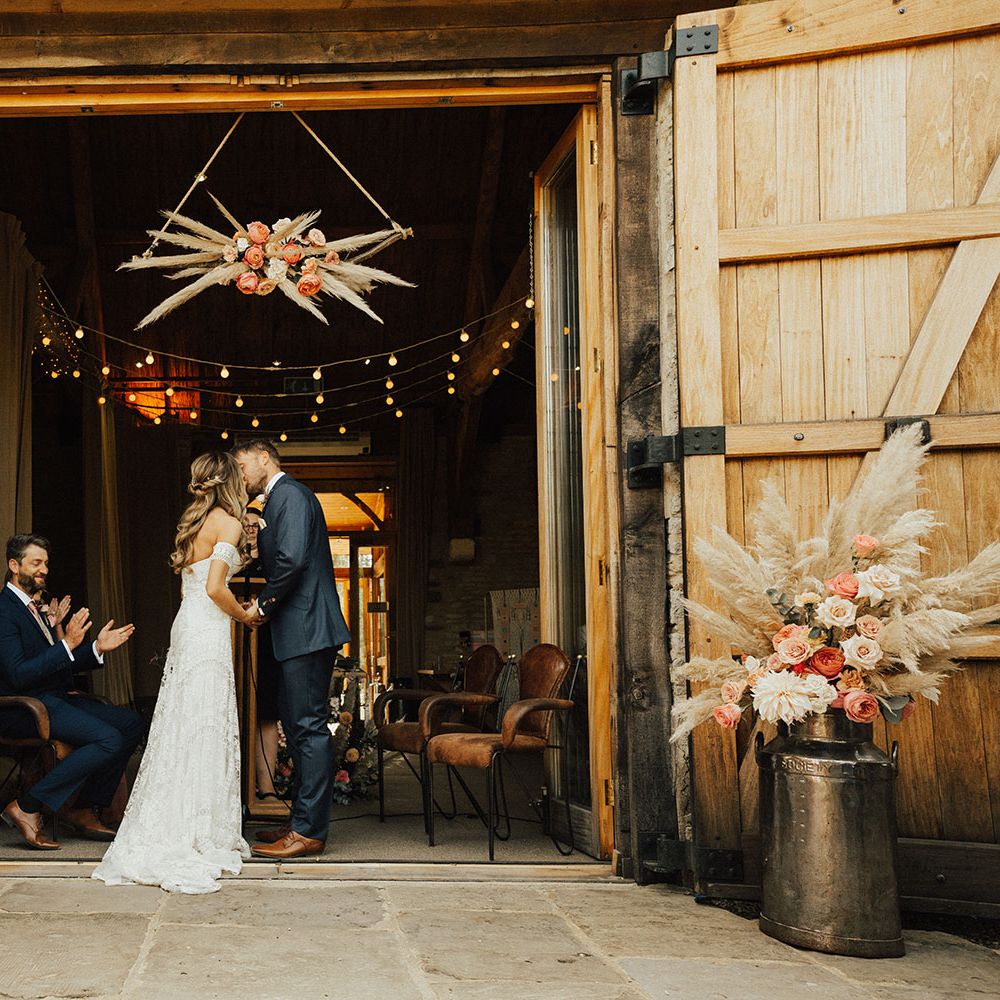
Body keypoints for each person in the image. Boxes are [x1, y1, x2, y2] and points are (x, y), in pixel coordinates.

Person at [92, 452, 258, 893]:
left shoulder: (197, 521)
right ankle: (196, 828)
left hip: (188, 625)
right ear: (230, 483)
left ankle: (179, 815)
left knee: (185, 722)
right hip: (207, 631)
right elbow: (215, 587)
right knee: (203, 723)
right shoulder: (229, 523)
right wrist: (246, 616)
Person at [232, 439, 350, 859]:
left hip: (307, 628)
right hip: (296, 630)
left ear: (264, 458)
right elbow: (282, 558)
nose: (241, 473)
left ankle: (309, 831)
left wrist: (262, 604)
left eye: (243, 464)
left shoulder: (292, 495)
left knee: (308, 728)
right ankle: (300, 819)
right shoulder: (275, 501)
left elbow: (294, 559)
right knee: (298, 727)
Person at [0, 534, 140, 850]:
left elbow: (59, 664)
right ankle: (26, 806)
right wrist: (67, 644)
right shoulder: (4, 611)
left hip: (55, 700)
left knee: (130, 723)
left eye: (45, 563)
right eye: (36, 563)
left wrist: (94, 648)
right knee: (108, 739)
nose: (44, 570)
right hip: (23, 709)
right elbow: (18, 674)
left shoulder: (36, 607)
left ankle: (83, 808)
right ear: (14, 565)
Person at [242, 495, 281, 800]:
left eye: (256, 524)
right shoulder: (230, 560)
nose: (251, 529)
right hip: (235, 644)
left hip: (266, 645)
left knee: (266, 712)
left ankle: (266, 787)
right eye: (246, 525)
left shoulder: (274, 561)